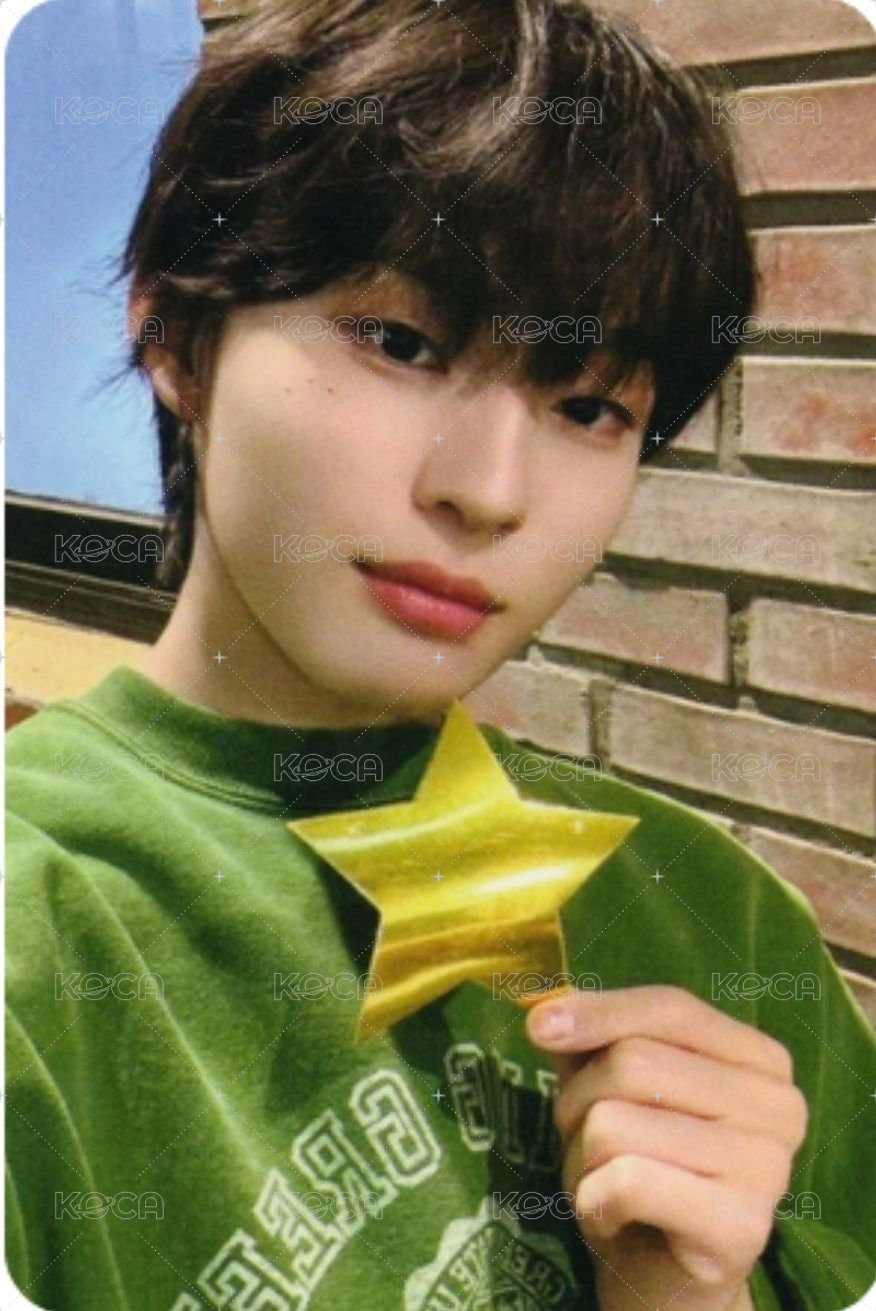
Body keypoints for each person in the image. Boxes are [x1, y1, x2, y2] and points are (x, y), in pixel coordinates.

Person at [6, 1, 875, 1309]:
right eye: (401, 342)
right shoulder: (36, 934)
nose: (488, 492)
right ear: (177, 338)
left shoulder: (723, 924)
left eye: (588, 405)